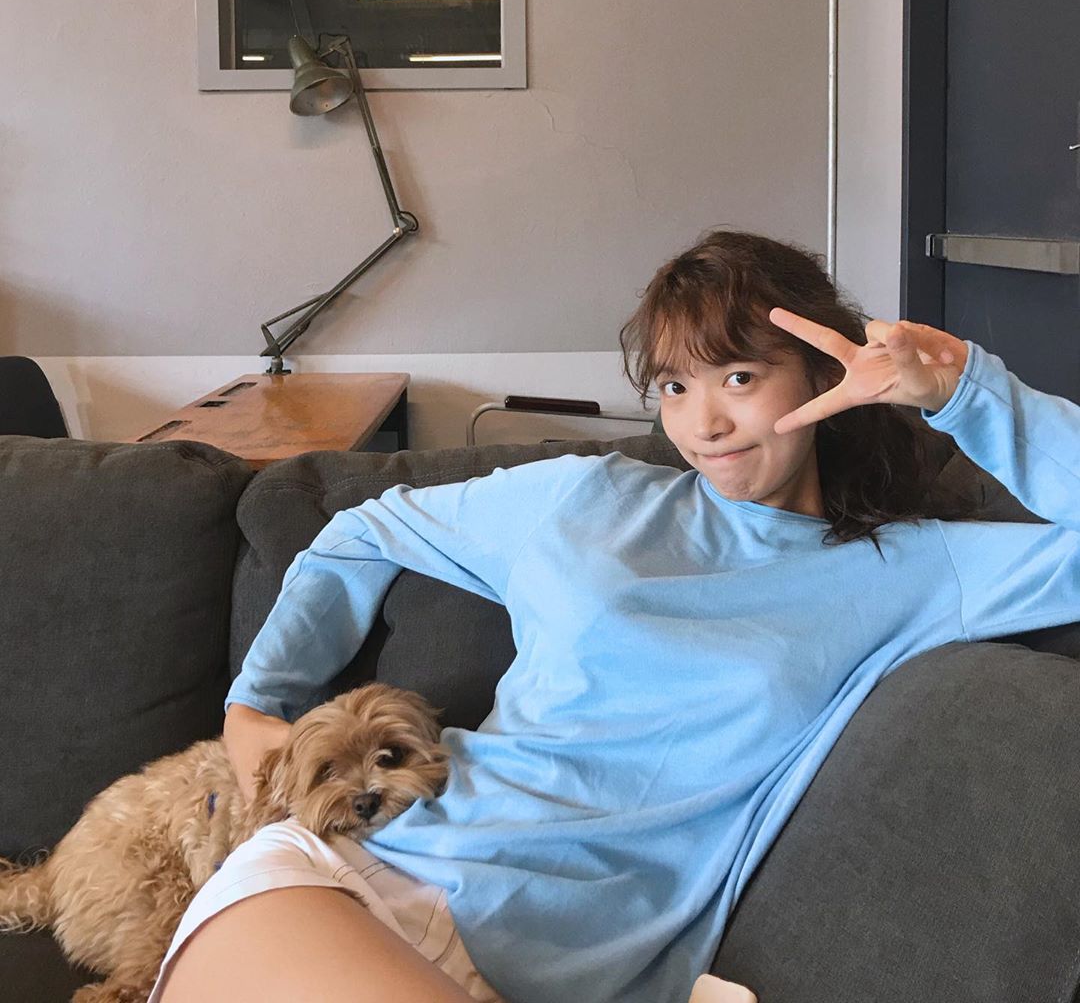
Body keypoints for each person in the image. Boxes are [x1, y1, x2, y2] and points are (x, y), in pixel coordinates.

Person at [152, 229, 1080, 1003]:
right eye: (675, 388)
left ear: (817, 372)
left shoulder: (912, 571)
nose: (704, 424)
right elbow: (361, 530)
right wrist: (255, 705)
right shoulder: (587, 498)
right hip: (352, 873)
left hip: (574, 958)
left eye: (739, 378)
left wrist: (964, 390)